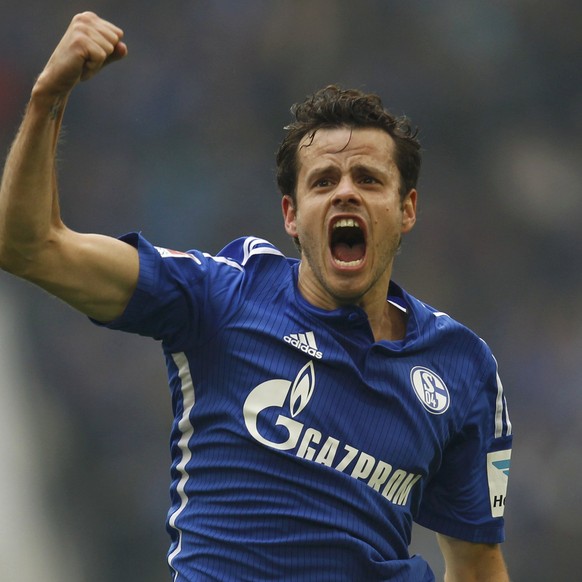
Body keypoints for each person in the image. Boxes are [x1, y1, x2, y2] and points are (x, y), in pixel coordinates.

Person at [0, 12, 513, 582]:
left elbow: (476, 564)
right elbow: (28, 247)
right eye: (323, 181)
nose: (345, 192)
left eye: (368, 179)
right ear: (291, 216)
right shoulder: (221, 296)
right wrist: (48, 97)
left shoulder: (463, 368)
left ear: (407, 209)